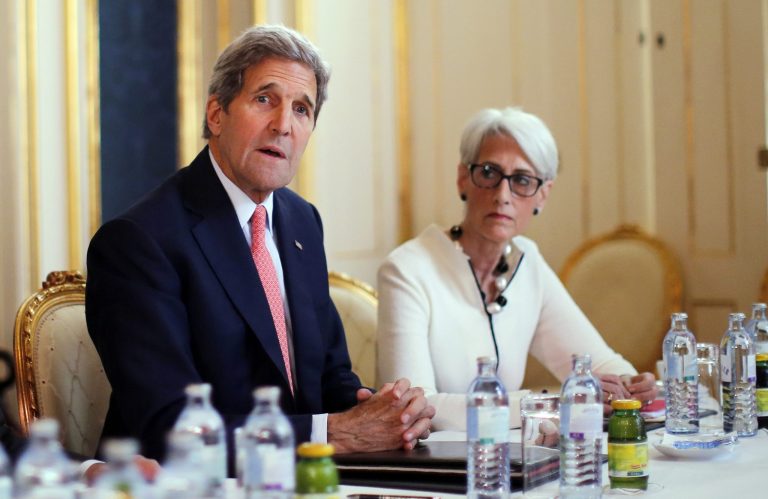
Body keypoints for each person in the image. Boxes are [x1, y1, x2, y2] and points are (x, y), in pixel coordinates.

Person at [85, 25, 434, 468]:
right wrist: (335, 434)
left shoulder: (301, 220)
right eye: (264, 99)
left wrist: (378, 410)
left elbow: (329, 377)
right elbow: (170, 426)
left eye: (302, 109)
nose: (283, 125)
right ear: (216, 114)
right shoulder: (138, 241)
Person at [376, 107, 657, 431]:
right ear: (463, 179)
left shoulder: (528, 262)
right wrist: (552, 405)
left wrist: (630, 384)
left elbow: (597, 363)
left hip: (512, 462)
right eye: (489, 173)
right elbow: (415, 407)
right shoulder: (406, 271)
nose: (502, 195)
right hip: (432, 470)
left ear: (542, 194)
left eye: (522, 180)